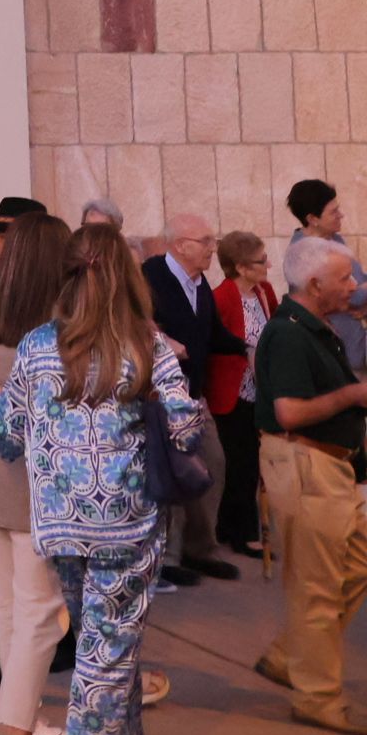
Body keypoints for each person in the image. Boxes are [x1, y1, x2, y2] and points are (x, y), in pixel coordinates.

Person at [0, 224, 202, 735]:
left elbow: (6, 435)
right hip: (127, 523)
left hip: (59, 522)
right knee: (107, 653)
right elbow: (185, 430)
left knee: (104, 645)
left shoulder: (38, 343)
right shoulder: (145, 341)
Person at [0, 210, 74, 735]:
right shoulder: (50, 329)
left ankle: (24, 722)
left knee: (11, 609)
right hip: (33, 484)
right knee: (41, 616)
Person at [250, 231, 367, 735]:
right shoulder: (290, 334)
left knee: (357, 559)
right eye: (345, 278)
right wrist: (354, 395)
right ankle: (318, 698)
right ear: (316, 282)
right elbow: (290, 412)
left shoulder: (315, 325)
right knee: (315, 589)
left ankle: (288, 655)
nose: (354, 286)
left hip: (330, 468)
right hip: (305, 466)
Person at [138, 212, 244, 586]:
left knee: (211, 465)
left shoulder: (200, 284)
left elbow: (212, 334)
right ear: (181, 245)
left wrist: (250, 346)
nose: (213, 248)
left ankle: (202, 550)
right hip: (163, 398)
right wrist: (163, 346)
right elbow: (137, 328)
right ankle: (166, 558)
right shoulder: (151, 278)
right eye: (206, 241)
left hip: (195, 395)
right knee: (173, 477)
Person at [209, 229, 275, 558]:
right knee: (242, 463)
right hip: (230, 391)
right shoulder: (221, 296)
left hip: (258, 391)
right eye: (261, 261)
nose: (268, 265)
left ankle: (227, 526)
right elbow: (211, 340)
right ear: (241, 267)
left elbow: (276, 325)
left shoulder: (264, 292)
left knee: (249, 461)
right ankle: (243, 534)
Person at [286, 179, 365, 368]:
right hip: (339, 355)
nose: (341, 215)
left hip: (357, 345)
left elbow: (359, 281)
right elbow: (347, 294)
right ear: (313, 219)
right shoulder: (303, 253)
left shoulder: (334, 238)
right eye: (333, 212)